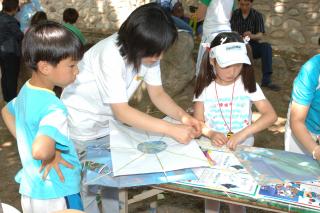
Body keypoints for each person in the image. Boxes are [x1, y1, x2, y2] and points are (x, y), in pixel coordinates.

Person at [61, 3, 201, 213]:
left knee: (111, 179)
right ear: (138, 42)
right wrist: (171, 129)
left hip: (106, 125)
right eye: (156, 52)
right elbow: (122, 111)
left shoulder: (147, 55)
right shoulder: (110, 55)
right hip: (81, 125)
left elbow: (158, 94)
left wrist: (183, 118)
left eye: (162, 51)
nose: (160, 57)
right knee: (88, 186)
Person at [1, 21, 84, 213]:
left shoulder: (27, 90)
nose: (77, 71)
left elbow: (6, 111)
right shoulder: (54, 108)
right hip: (57, 191)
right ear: (45, 67)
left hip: (31, 189)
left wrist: (27, 140)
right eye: (72, 65)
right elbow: (40, 151)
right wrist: (50, 154)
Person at [193, 31, 277, 213]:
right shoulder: (204, 88)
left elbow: (270, 115)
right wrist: (211, 133)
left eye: (238, 64)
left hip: (243, 151)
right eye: (226, 65)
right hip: (213, 152)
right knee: (212, 194)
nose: (232, 71)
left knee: (238, 198)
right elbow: (198, 122)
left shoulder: (247, 84)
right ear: (212, 60)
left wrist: (244, 133)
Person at [231, 0, 280, 91]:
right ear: (238, 3)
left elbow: (260, 35)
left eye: (247, 5)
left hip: (252, 45)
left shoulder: (257, 15)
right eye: (242, 4)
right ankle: (233, 80)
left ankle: (266, 80)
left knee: (266, 47)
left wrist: (252, 36)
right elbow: (230, 32)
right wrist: (237, 35)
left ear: (251, 3)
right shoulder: (234, 14)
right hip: (237, 46)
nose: (244, 7)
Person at [284, 54, 320, 161]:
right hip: (304, 124)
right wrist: (316, 151)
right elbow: (297, 121)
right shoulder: (311, 70)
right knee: (295, 169)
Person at [194, 0, 235, 76]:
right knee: (221, 69)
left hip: (210, 35)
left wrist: (186, 14)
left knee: (202, 71)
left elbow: (199, 16)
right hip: (227, 35)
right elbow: (229, 16)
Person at [0, 0, 24, 102]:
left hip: (1, 51)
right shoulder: (10, 21)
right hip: (10, 52)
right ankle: (12, 100)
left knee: (5, 75)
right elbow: (19, 35)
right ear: (14, 8)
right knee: (11, 77)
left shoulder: (1, 16)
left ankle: (6, 96)